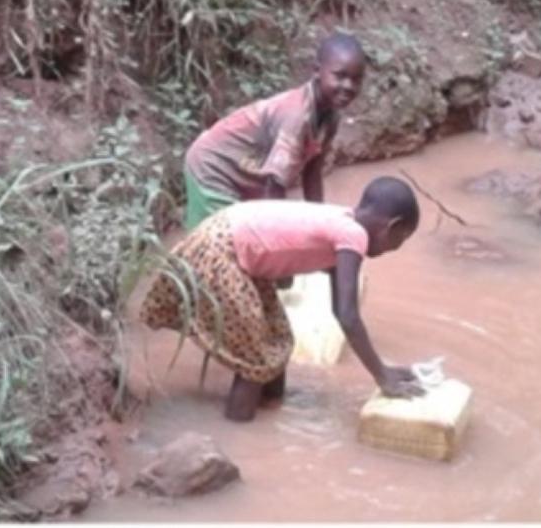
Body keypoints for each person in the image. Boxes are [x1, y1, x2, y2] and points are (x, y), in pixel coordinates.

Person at [141, 176, 424, 422]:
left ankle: (267, 415)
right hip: (224, 252)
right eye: (401, 240)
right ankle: (239, 431)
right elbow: (349, 316)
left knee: (276, 338)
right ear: (391, 227)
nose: (395, 249)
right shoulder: (353, 235)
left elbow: (340, 309)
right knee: (257, 361)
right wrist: (382, 375)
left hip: (228, 240)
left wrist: (383, 370)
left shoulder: (344, 224)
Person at [184, 32, 366, 230]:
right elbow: (274, 187)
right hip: (213, 168)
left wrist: (322, 225)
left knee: (243, 241)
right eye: (339, 76)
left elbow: (312, 171)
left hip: (246, 174)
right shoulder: (297, 117)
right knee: (218, 242)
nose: (348, 86)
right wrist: (280, 234)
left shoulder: (330, 116)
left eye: (356, 79)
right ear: (316, 71)